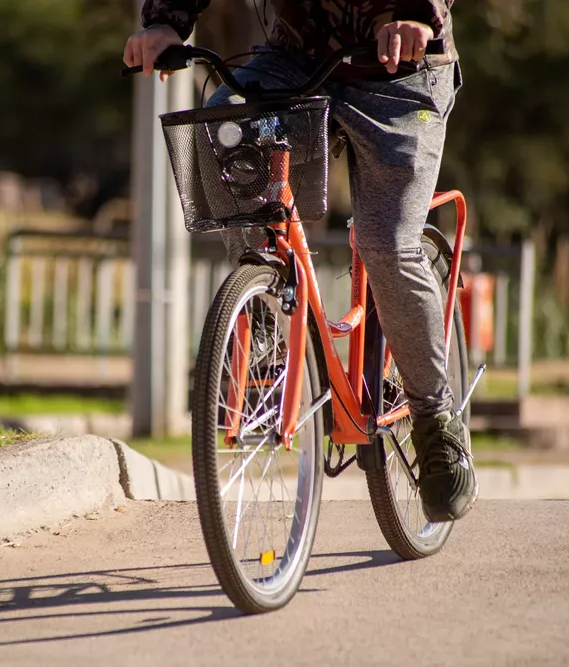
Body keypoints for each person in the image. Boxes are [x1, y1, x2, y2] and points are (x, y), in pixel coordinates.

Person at [123, 0, 474, 523]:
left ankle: (434, 418)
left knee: (384, 242)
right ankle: (264, 304)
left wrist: (417, 13)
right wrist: (163, 25)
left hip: (403, 69)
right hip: (295, 60)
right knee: (221, 125)